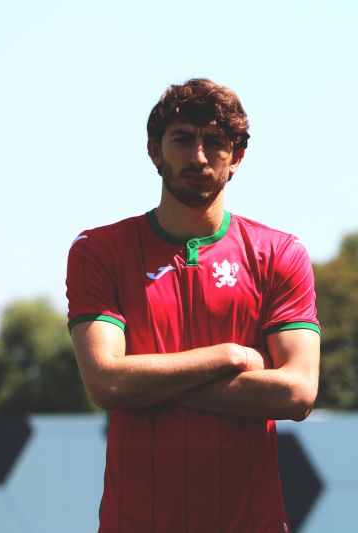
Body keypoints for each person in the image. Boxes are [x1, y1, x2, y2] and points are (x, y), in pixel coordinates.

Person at [66, 78, 320, 533]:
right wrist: (230, 357)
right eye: (182, 139)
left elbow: (298, 392)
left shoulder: (280, 253)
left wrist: (144, 381)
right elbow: (105, 383)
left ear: (237, 157)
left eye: (216, 143)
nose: (199, 156)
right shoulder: (98, 250)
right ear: (154, 151)